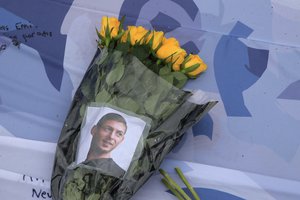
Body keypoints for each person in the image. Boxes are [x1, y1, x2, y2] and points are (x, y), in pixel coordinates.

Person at [82, 113, 127, 177]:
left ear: (121, 140)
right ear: (94, 130)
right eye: (107, 129)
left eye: (119, 134)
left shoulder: (120, 176)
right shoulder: (74, 165)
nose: (111, 136)